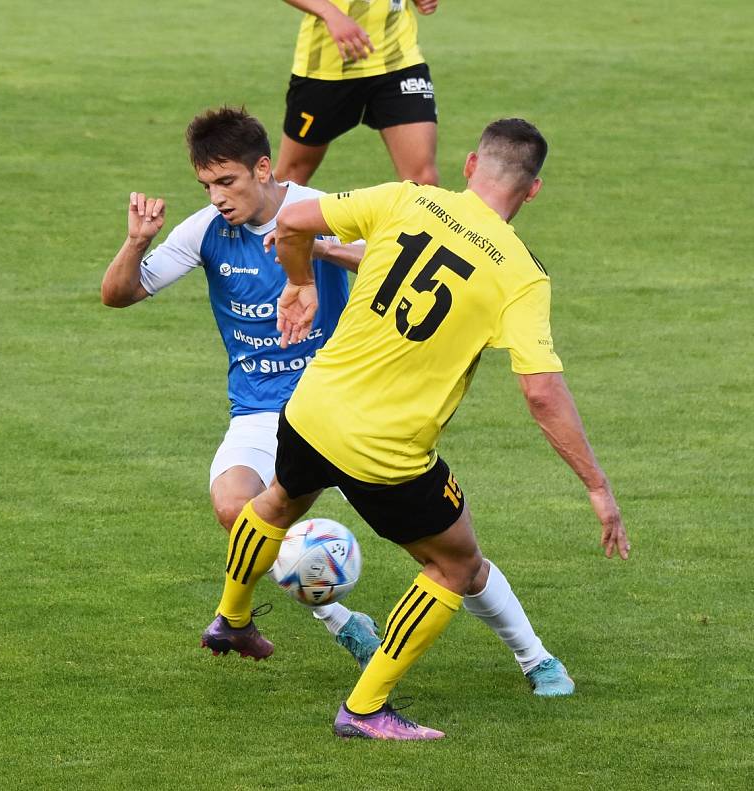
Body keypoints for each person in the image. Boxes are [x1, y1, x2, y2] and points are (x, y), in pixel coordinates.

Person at [208, 118, 630, 740]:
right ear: (533, 191)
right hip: (385, 452)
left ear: (468, 166)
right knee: (455, 565)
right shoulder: (521, 274)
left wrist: (300, 283)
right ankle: (366, 708)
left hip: (310, 407)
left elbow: (293, 221)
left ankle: (231, 618)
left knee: (278, 499)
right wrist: (596, 485)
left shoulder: (409, 198)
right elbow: (542, 392)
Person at [100, 106, 381, 668]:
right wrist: (136, 242)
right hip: (259, 411)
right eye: (206, 185)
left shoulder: (320, 208)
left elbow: (391, 261)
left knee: (439, 544)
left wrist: (318, 245)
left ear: (263, 168)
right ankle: (342, 622)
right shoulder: (207, 230)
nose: (217, 197)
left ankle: (533, 655)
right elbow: (118, 295)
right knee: (235, 507)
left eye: (226, 182)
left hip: (338, 405)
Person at [274, 0, 440, 186]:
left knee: (424, 181)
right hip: (327, 69)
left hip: (399, 61)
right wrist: (331, 14)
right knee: (291, 177)